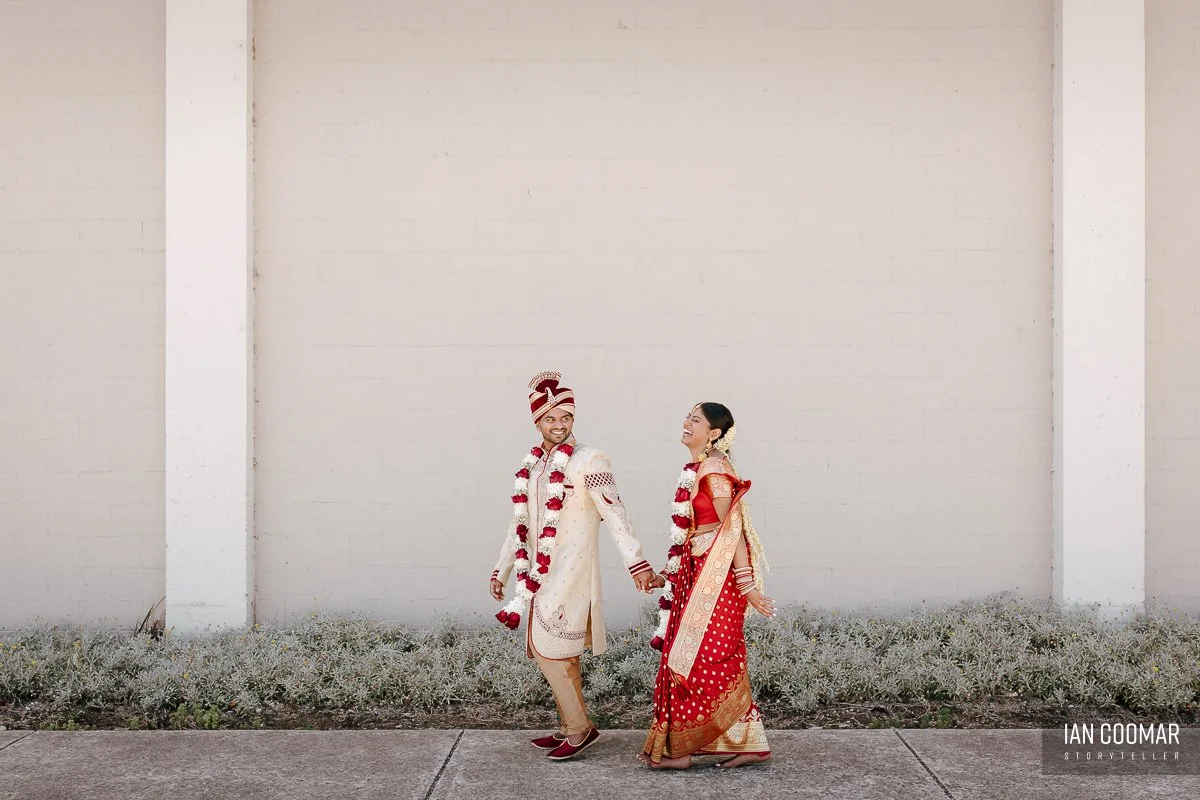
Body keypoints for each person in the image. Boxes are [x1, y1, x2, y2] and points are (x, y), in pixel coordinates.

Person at [490, 371, 659, 761]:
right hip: (536, 574)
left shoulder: (589, 460)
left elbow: (616, 513)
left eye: (566, 417)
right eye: (551, 419)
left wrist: (638, 563)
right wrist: (502, 571)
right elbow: (520, 525)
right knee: (552, 652)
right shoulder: (532, 466)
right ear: (537, 422)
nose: (560, 425)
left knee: (551, 651)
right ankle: (571, 725)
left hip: (570, 572)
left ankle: (580, 729)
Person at [639, 402, 775, 769]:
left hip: (718, 582)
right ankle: (739, 743)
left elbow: (732, 531)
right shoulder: (699, 468)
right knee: (699, 660)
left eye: (695, 419)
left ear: (713, 433)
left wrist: (747, 587)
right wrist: (666, 575)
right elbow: (690, 534)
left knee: (707, 658)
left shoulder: (715, 472)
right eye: (687, 416)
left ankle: (693, 748)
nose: (686, 422)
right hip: (695, 573)